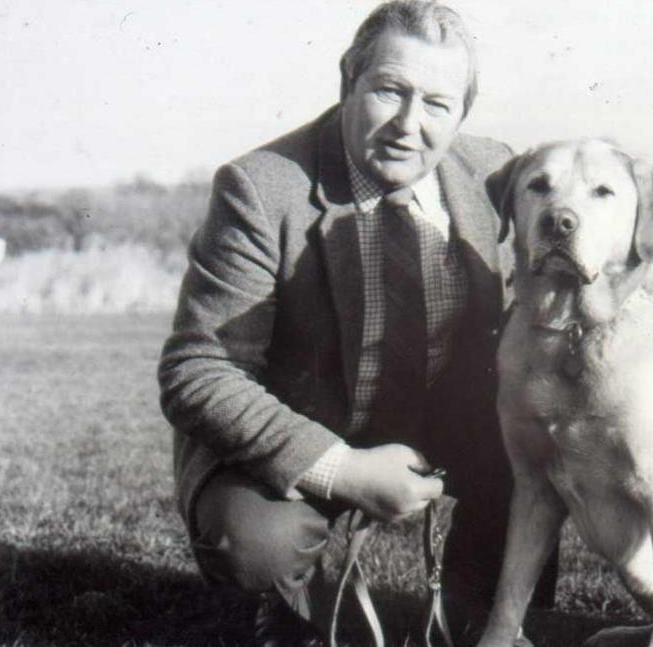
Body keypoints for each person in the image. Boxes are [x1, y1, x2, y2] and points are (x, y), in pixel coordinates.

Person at [158, 2, 555, 644]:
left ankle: (488, 619)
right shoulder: (260, 189)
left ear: (463, 115)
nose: (408, 125)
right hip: (303, 427)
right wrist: (340, 469)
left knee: (539, 465)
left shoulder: (494, 175)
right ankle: (287, 621)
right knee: (258, 541)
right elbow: (198, 370)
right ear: (349, 80)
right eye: (389, 91)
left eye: (436, 105)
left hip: (442, 423)